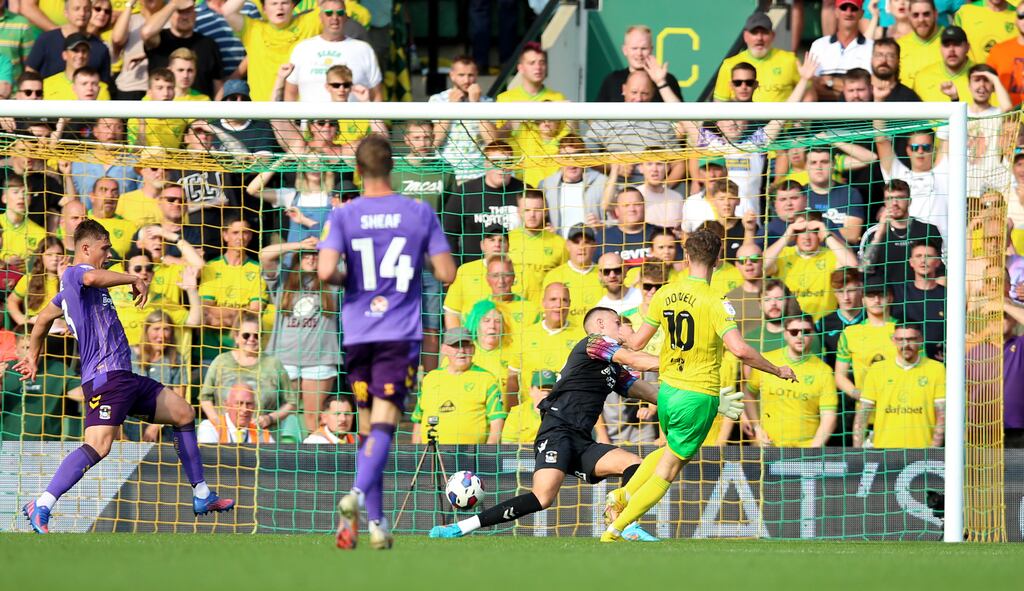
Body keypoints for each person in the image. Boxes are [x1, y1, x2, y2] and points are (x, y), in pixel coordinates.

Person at [17, 220, 234, 534]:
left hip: (125, 377)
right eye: (104, 249)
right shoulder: (75, 273)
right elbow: (90, 276)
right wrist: (134, 277)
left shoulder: (69, 295)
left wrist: (33, 356)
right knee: (99, 446)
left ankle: (202, 495)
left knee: (184, 413)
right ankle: (42, 504)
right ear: (86, 248)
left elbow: (41, 322)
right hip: (105, 379)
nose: (107, 255)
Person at [601, 229, 795, 542]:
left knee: (667, 451)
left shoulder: (664, 293)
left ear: (687, 257)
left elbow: (636, 343)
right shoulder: (717, 301)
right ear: (718, 261)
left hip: (666, 392)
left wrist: (612, 336)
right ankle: (616, 528)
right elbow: (740, 350)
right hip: (697, 394)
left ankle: (622, 494)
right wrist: (776, 369)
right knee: (669, 469)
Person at [317, 135, 456, 551]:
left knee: (366, 428)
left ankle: (376, 524)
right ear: (392, 167)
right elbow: (447, 273)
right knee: (386, 426)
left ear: (357, 171)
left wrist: (355, 277)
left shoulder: (343, 214)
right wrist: (417, 262)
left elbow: (325, 272)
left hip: (358, 333)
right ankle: (357, 497)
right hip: (398, 332)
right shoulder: (418, 212)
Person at [430, 307, 667, 541]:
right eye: (618, 322)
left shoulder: (613, 369)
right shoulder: (593, 342)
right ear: (601, 325)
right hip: (558, 431)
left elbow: (652, 394)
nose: (624, 328)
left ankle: (626, 524)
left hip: (582, 441)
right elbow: (638, 361)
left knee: (635, 465)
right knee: (542, 498)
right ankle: (461, 527)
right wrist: (682, 362)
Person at [260, 236, 341, 434]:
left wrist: (323, 245)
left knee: (313, 417)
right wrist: (300, 244)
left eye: (315, 255)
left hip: (319, 359)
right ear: (297, 257)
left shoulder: (331, 281)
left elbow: (348, 254)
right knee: (280, 414)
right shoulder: (283, 281)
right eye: (306, 255)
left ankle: (314, 460)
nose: (311, 258)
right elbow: (265, 256)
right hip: (284, 358)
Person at [745, 314, 837, 447]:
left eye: (805, 332)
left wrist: (813, 449)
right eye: (794, 332)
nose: (800, 336)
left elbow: (829, 416)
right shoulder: (766, 361)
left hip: (805, 452)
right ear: (785, 334)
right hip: (768, 447)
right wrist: (757, 429)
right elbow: (748, 394)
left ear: (812, 334)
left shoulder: (824, 371)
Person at [198, 312, 298, 436]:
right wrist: (218, 423)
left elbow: (291, 403)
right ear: (236, 337)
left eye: (257, 335)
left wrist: (270, 418)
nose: (251, 339)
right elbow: (205, 398)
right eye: (246, 335)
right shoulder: (221, 361)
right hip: (225, 434)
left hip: (262, 434)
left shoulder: (274, 364)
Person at [854, 323, 945, 447]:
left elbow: (942, 415)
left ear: (921, 339)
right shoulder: (877, 369)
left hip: (922, 452)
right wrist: (857, 453)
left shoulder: (936, 369)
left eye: (911, 339)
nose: (905, 345)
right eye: (900, 340)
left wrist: (933, 449)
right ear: (893, 340)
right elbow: (863, 414)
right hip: (884, 451)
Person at [410, 327, 505, 444]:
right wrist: (416, 453)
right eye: (455, 346)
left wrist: (487, 455)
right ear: (444, 349)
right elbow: (418, 420)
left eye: (466, 345)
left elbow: (497, 421)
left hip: (473, 457)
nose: (461, 350)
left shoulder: (486, 379)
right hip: (431, 456)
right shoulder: (431, 378)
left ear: (473, 349)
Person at [764, 210, 860, 321]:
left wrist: (827, 235)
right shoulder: (783, 254)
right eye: (801, 231)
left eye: (813, 231)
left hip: (823, 326)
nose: (807, 237)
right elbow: (762, 267)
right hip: (790, 328)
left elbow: (853, 266)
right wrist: (786, 236)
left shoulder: (831, 255)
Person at [505, 282, 584, 409]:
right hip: (531, 415)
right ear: (543, 303)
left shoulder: (581, 337)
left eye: (564, 300)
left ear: (569, 304)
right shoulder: (525, 335)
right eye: (553, 299)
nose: (558, 305)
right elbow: (512, 377)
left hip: (568, 413)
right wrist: (512, 413)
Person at [284, 0, 382, 102]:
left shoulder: (364, 49)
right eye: (328, 13)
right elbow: (290, 93)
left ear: (346, 17)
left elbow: (376, 95)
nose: (334, 18)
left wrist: (377, 118)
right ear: (320, 17)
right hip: (312, 118)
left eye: (339, 13)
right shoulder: (302, 48)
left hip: (353, 118)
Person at [222, 0, 321, 101]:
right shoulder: (253, 30)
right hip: (261, 110)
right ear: (264, 9)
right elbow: (228, 11)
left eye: (285, 3)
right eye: (274, 3)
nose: (280, 7)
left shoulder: (309, 24)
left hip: (298, 110)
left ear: (293, 6)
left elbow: (331, 5)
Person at [442, 140, 523, 262]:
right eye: (496, 162)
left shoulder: (524, 191)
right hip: (473, 270)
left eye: (507, 162)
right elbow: (448, 232)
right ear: (486, 164)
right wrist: (455, 266)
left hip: (515, 268)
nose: (502, 168)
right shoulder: (465, 192)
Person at [859, 179, 944, 285]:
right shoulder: (872, 234)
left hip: (921, 296)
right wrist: (879, 235)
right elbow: (863, 271)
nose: (894, 203)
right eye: (889, 199)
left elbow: (941, 272)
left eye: (900, 198)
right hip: (886, 297)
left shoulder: (928, 230)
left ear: (909, 201)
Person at [428, 55, 497, 183]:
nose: (466, 80)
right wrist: (451, 107)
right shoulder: (437, 100)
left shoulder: (487, 102)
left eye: (470, 75)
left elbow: (492, 142)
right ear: (452, 75)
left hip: (478, 174)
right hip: (446, 173)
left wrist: (476, 105)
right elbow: (435, 142)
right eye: (461, 75)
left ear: (476, 75)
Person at [875, 124, 949, 239]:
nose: (920, 151)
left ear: (933, 150)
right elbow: (881, 141)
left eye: (926, 147)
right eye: (915, 147)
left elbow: (946, 137)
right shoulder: (898, 174)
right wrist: (879, 105)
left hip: (938, 249)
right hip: (906, 247)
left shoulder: (943, 174)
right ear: (908, 150)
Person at [835, 278, 899, 409]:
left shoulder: (904, 330)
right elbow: (840, 376)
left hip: (900, 409)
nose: (876, 300)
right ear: (863, 300)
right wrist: (861, 395)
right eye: (870, 296)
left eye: (881, 295)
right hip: (866, 413)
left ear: (890, 298)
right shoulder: (850, 333)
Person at [141, 0, 223, 98]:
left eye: (188, 12)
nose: (184, 17)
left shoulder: (209, 44)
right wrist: (173, 4)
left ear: (195, 14)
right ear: (170, 14)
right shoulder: (159, 40)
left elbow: (217, 84)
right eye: (179, 12)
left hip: (200, 109)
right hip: (161, 110)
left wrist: (217, 111)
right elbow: (146, 32)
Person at [714, 12, 800, 102]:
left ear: (773, 35)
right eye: (754, 32)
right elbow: (719, 104)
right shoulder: (729, 64)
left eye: (764, 32)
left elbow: (809, 94)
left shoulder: (790, 60)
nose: (759, 38)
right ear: (745, 36)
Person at [25, 0, 112, 82]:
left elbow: (103, 84)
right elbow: (30, 72)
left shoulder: (100, 48)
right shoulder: (46, 39)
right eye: (76, 9)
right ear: (66, 13)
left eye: (86, 9)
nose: (82, 13)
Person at [535, 138, 607, 234]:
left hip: (591, 245)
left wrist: (601, 226)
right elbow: (536, 218)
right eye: (566, 158)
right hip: (558, 246)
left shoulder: (602, 182)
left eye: (576, 157)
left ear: (584, 158)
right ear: (558, 159)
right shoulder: (545, 185)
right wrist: (545, 228)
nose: (571, 164)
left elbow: (617, 219)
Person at [507, 189, 566, 303]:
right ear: (519, 211)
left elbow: (566, 278)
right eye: (527, 210)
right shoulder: (507, 240)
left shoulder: (559, 243)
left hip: (545, 309)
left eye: (538, 210)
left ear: (546, 212)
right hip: (513, 308)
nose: (532, 215)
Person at [891, 240, 946, 360]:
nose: (923, 261)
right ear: (911, 262)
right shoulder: (898, 292)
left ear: (937, 262)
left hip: (937, 362)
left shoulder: (947, 296)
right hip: (904, 359)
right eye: (918, 256)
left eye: (928, 256)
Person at [809, 0, 875, 101]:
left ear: (861, 13)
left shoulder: (872, 47)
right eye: (844, 8)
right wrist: (849, 89)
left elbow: (870, 88)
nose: (848, 13)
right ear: (836, 12)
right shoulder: (818, 45)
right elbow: (812, 84)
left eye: (853, 9)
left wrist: (830, 82)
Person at [803, 147, 868, 244]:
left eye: (824, 162)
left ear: (833, 164)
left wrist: (815, 229)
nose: (819, 167)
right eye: (813, 162)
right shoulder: (799, 195)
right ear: (805, 166)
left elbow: (852, 235)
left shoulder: (850, 193)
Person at [542, 223, 603, 326]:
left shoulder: (605, 274)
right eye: (576, 242)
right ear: (568, 245)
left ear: (594, 246)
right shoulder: (554, 276)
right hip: (566, 336)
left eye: (586, 242)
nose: (581, 247)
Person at [6, 237, 62, 329]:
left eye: (59, 254)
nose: (55, 258)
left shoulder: (69, 279)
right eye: (49, 254)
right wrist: (24, 323)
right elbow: (11, 301)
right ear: (41, 256)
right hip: (34, 330)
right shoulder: (29, 278)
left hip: (60, 332)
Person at [817, 267, 865, 369]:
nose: (846, 297)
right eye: (840, 291)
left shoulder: (872, 319)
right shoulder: (823, 324)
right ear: (834, 293)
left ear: (860, 288)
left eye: (850, 291)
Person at [196, 382, 274, 444]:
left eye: (249, 404)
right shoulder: (210, 427)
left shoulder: (260, 432)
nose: (244, 409)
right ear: (226, 405)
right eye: (239, 403)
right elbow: (209, 460)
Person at [595, 188, 655, 265]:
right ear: (617, 211)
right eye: (626, 205)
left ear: (644, 207)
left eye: (637, 204)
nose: (632, 209)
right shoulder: (602, 238)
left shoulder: (661, 234)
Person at [913, 25, 972, 101]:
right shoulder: (922, 77)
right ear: (940, 48)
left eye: (957, 44)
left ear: (967, 47)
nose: (951, 50)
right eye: (946, 45)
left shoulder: (982, 76)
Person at [42, 32, 110, 99]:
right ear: (64, 55)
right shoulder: (47, 84)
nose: (80, 55)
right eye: (75, 50)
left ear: (89, 55)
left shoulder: (100, 88)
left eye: (84, 51)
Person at [0, 177, 46, 265]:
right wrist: (4, 263)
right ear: (4, 198)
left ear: (30, 200)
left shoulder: (40, 234)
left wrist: (29, 264)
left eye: (25, 193)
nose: (21, 196)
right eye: (15, 192)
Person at [898, 0, 944, 88]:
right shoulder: (899, 46)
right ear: (908, 17)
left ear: (935, 14)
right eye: (915, 15)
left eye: (926, 14)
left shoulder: (952, 42)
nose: (921, 20)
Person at [502, 369, 555, 444]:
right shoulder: (517, 413)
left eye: (550, 388)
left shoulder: (564, 413)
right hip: (523, 454)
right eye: (542, 388)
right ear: (531, 390)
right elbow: (507, 445)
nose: (546, 392)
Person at [986, 2, 1024, 105]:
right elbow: (986, 84)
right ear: (1015, 20)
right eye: (1021, 16)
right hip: (1005, 116)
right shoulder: (998, 50)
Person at [725, 243, 765, 337]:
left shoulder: (777, 294)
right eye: (742, 260)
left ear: (762, 261)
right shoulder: (728, 300)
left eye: (754, 258)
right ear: (736, 265)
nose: (748, 263)